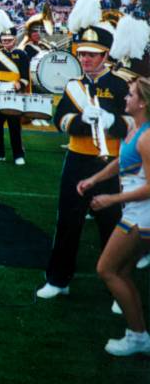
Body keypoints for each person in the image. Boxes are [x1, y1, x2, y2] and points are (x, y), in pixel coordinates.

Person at [37, 22, 132, 300]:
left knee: (112, 224)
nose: (86, 59)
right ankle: (58, 279)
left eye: (92, 54)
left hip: (111, 162)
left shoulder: (121, 85)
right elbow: (61, 120)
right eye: (82, 54)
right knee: (68, 221)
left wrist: (113, 120)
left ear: (105, 56)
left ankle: (119, 288)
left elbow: (136, 124)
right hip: (78, 159)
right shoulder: (73, 86)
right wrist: (80, 120)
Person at [78, 77, 150, 356]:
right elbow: (122, 161)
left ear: (142, 102)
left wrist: (112, 199)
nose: (125, 98)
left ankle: (138, 336)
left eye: (130, 95)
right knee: (121, 271)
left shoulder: (146, 137)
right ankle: (138, 333)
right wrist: (95, 179)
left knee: (106, 270)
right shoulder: (135, 129)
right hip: (135, 212)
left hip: (142, 216)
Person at [0, 26, 30, 165]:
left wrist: (20, 84)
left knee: (14, 126)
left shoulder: (21, 54)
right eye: (4, 40)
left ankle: (18, 154)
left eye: (9, 40)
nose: (6, 43)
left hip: (14, 93)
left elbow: (25, 76)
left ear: (15, 40)